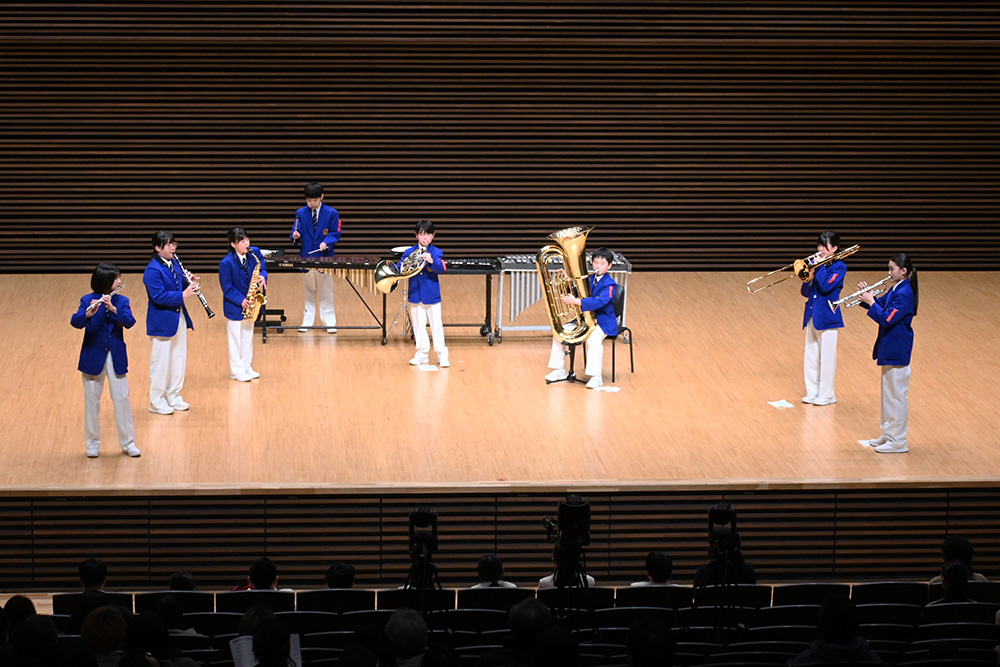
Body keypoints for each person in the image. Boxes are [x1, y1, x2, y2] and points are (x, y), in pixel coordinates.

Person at [71, 262, 140, 458]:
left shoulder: (122, 301)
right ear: (105, 281)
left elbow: (130, 322)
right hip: (93, 355)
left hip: (115, 355)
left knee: (122, 399)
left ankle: (128, 442)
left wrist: (114, 309)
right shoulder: (87, 300)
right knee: (91, 401)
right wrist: (88, 313)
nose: (119, 281)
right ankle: (92, 443)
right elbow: (75, 322)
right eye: (116, 278)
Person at [857, 252, 918, 454]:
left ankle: (898, 440)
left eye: (892, 269)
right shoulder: (896, 288)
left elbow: (886, 318)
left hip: (897, 349)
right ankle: (888, 434)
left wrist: (871, 302)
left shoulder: (905, 293)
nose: (889, 272)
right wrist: (867, 297)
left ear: (904, 271)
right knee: (888, 396)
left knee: (896, 397)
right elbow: (881, 305)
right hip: (888, 348)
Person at [544, 247, 619, 389]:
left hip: (602, 321)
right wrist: (567, 282)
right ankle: (559, 369)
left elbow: (600, 302)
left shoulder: (610, 284)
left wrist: (577, 302)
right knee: (560, 332)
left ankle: (596, 377)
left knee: (593, 339)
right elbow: (577, 292)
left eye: (602, 263)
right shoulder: (589, 279)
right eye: (595, 263)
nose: (598, 266)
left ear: (609, 266)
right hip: (585, 319)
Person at [143, 230, 199, 415]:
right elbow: (158, 296)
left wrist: (188, 281)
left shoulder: (174, 262)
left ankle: (173, 394)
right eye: (169, 245)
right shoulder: (152, 270)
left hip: (178, 316)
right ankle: (156, 401)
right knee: (160, 363)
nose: (173, 248)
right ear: (157, 247)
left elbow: (177, 283)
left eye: (174, 244)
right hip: (162, 321)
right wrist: (184, 294)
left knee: (178, 358)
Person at [801, 230, 846, 406]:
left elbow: (827, 286)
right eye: (819, 245)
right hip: (812, 314)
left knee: (827, 358)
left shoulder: (839, 267)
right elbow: (805, 292)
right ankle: (812, 391)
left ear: (834, 248)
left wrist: (819, 267)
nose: (820, 250)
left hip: (828, 316)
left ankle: (827, 394)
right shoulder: (816, 266)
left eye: (824, 246)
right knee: (811, 356)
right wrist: (809, 277)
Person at [291, 182, 340, 333]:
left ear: (321, 197)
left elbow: (335, 232)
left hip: (324, 257)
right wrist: (295, 235)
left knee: (326, 290)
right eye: (309, 200)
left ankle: (329, 321)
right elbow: (296, 229)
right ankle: (307, 320)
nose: (311, 203)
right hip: (307, 256)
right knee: (309, 290)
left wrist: (327, 242)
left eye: (314, 200)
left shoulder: (332, 213)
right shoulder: (301, 213)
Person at [219, 227, 268, 382]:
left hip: (251, 302)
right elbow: (226, 287)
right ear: (233, 244)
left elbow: (263, 267)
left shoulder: (254, 253)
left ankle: (247, 366)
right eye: (242, 241)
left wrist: (263, 276)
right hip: (235, 305)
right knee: (235, 339)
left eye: (247, 239)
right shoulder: (226, 263)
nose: (246, 243)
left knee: (247, 336)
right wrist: (240, 300)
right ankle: (236, 370)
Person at [402, 219, 449, 367]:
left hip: (432, 295)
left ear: (433, 236)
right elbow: (402, 268)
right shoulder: (409, 252)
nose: (425, 238)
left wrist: (431, 261)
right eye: (422, 234)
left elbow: (441, 268)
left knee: (436, 326)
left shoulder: (436, 252)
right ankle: (422, 354)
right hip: (416, 294)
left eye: (428, 234)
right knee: (418, 326)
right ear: (416, 235)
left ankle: (442, 355)